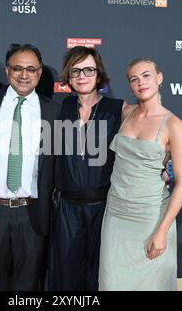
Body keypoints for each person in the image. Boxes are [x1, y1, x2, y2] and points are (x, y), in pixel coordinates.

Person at [98, 58, 182, 291]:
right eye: (134, 79)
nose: (141, 82)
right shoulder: (125, 112)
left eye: (146, 75)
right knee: (111, 283)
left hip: (150, 218)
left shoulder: (174, 125)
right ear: (130, 85)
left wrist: (162, 231)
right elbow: (88, 97)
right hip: (117, 216)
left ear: (159, 78)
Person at [0, 44, 60, 290]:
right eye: (17, 68)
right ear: (7, 71)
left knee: (27, 286)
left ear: (38, 73)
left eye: (31, 69)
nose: (24, 75)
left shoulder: (53, 112)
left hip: (33, 214)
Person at [47, 46, 124, 290]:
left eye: (88, 69)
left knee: (98, 276)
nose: (82, 76)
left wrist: (165, 160)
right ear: (68, 77)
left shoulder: (117, 109)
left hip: (103, 209)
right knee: (66, 276)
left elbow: (151, 120)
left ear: (98, 73)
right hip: (67, 210)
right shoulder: (61, 108)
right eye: (76, 71)